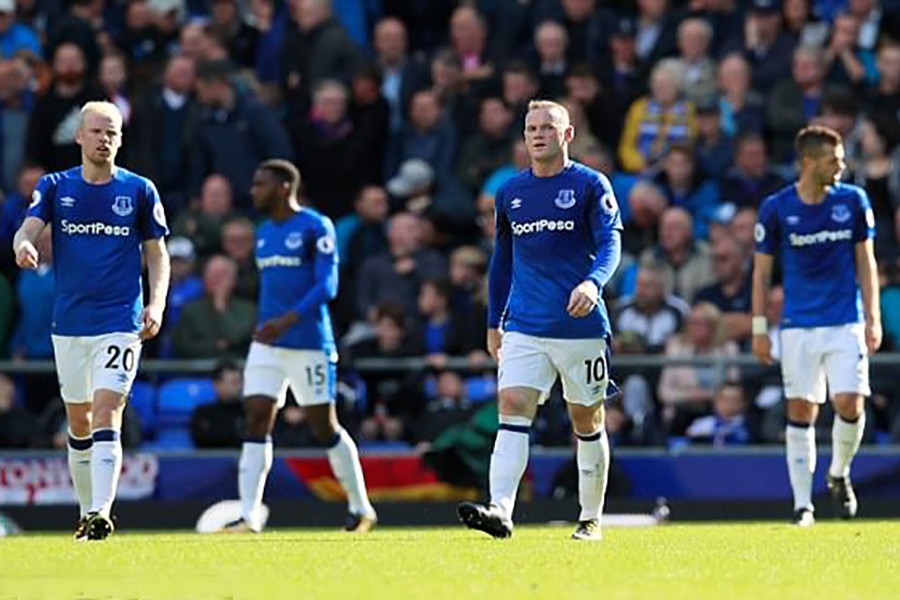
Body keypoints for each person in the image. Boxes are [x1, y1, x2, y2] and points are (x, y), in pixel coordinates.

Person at [457, 100, 622, 541]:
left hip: (579, 327)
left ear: (567, 135)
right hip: (524, 325)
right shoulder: (510, 193)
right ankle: (501, 511)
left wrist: (593, 283)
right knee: (511, 408)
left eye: (547, 127)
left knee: (586, 420)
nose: (537, 134)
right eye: (531, 128)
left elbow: (610, 244)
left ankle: (590, 519)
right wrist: (494, 321)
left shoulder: (590, 185)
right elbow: (502, 262)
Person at [12, 101, 170, 540]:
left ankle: (102, 511)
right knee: (78, 422)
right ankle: (87, 513)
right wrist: (22, 245)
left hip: (120, 319)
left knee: (107, 411)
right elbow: (28, 226)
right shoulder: (56, 186)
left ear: (120, 139)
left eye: (113, 133)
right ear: (79, 136)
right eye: (97, 131)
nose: (105, 139)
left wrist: (155, 305)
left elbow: (157, 255)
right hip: (70, 324)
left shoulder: (139, 190)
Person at [224, 159, 376, 534]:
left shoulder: (315, 226)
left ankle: (361, 507)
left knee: (323, 427)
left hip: (308, 344)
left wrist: (286, 321)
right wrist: (268, 326)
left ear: (283, 187)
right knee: (257, 416)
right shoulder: (262, 232)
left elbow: (328, 286)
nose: (253, 191)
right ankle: (249, 514)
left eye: (261, 184)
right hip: (267, 343)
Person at [752, 125, 881, 527]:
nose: (841, 166)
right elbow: (761, 275)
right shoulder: (776, 208)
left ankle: (839, 473)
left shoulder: (854, 201)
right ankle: (803, 505)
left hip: (845, 320)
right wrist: (759, 327)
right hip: (797, 326)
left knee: (849, 402)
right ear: (809, 162)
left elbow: (866, 261)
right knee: (802, 408)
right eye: (833, 160)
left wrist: (873, 316)